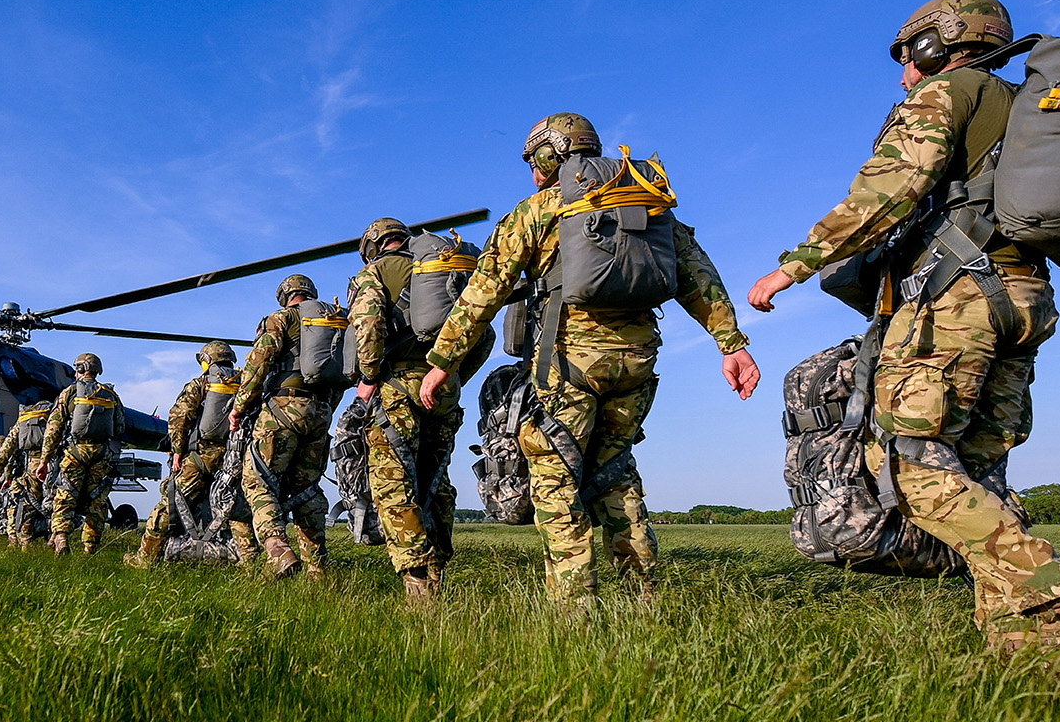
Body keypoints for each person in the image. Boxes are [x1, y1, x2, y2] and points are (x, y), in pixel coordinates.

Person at [745, 0, 1060, 662]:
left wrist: (796, 263)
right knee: (978, 476)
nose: (905, 74)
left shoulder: (948, 93)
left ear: (940, 42)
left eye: (909, 56)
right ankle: (1019, 646)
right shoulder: (1036, 119)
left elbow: (892, 186)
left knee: (909, 465)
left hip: (952, 299)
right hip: (1024, 301)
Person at [420, 113, 760, 612]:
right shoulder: (647, 196)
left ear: (549, 155)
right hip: (638, 361)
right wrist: (731, 344)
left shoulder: (542, 208)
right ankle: (643, 602)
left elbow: (484, 290)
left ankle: (576, 612)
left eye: (535, 162)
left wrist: (443, 360)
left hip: (570, 363)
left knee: (556, 478)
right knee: (616, 473)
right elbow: (698, 275)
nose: (534, 174)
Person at [347, 218, 465, 606]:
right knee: (436, 481)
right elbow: (483, 332)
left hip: (396, 387)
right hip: (444, 386)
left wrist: (369, 376)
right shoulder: (443, 265)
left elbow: (367, 324)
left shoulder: (375, 272)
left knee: (393, 482)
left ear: (373, 244)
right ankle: (438, 572)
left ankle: (419, 591)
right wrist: (447, 371)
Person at [230, 274, 345, 580]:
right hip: (320, 413)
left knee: (257, 483)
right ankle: (317, 571)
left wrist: (240, 406)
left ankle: (278, 549)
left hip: (282, 408)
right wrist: (324, 409)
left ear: (285, 295)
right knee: (306, 490)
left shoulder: (281, 318)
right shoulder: (334, 320)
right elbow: (344, 373)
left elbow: (259, 363)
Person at [125, 341, 249, 568]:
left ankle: (145, 558)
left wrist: (178, 453)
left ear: (206, 361)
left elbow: (180, 419)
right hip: (235, 457)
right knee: (237, 508)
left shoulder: (200, 384)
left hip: (200, 457)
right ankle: (251, 563)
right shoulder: (247, 385)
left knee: (170, 504)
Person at [35, 353, 124, 555]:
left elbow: (53, 429)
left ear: (82, 369)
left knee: (65, 495)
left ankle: (61, 538)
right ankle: (90, 547)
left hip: (75, 452)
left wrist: (44, 460)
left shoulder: (71, 392)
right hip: (101, 453)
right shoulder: (110, 394)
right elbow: (119, 427)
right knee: (97, 500)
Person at [0, 400, 51, 549]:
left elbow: (8, 446)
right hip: (55, 463)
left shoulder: (24, 419)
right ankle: (58, 540)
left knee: (28, 505)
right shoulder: (54, 414)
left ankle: (25, 545)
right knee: (58, 504)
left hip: (34, 465)